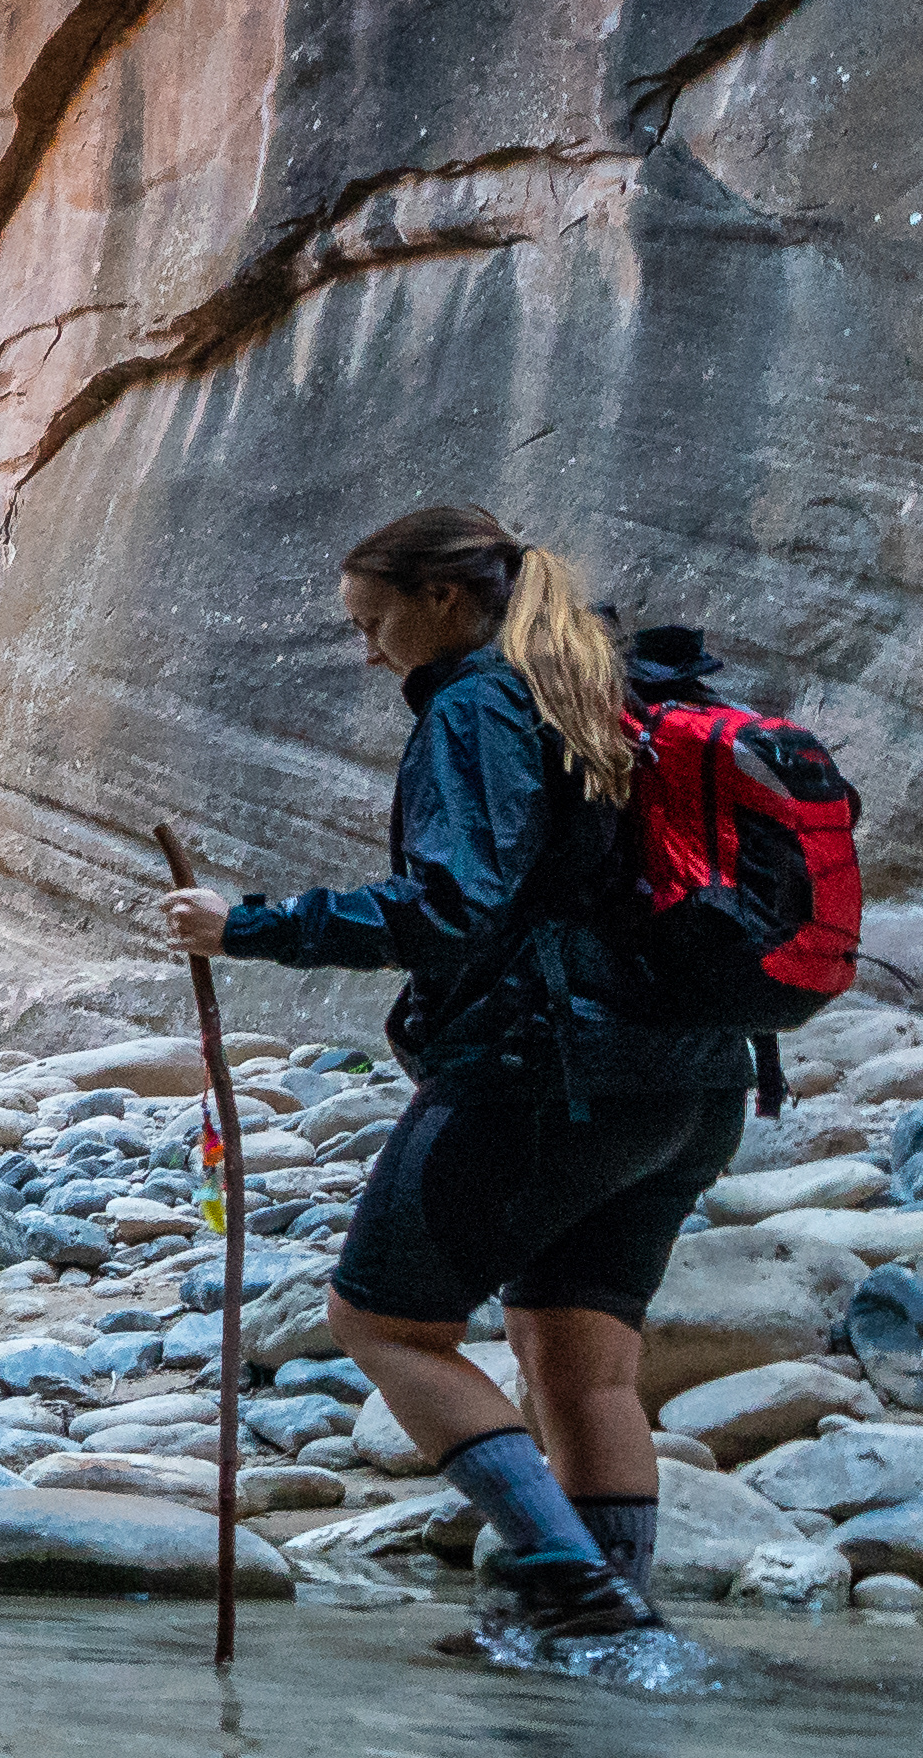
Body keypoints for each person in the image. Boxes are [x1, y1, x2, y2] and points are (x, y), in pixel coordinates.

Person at [151, 503, 755, 1652]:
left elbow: (448, 904)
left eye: (371, 622)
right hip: (691, 1082)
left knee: (378, 1322)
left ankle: (572, 1590)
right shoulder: (612, 688)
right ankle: (612, 1636)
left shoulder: (479, 705)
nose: (365, 652)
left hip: (543, 1076)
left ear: (439, 600)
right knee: (579, 1364)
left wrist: (247, 928)